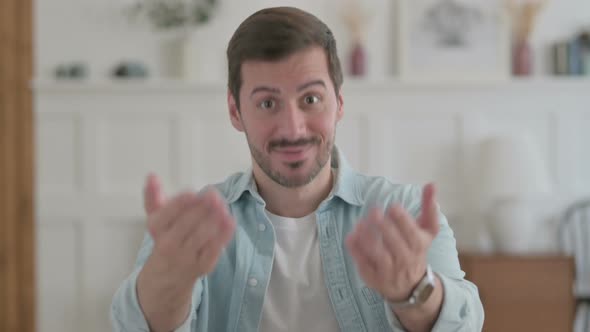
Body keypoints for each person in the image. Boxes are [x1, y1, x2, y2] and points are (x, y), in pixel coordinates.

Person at [111, 6, 484, 332]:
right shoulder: (190, 224)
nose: (293, 128)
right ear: (234, 110)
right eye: (267, 103)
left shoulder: (405, 212)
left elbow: (465, 325)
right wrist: (170, 280)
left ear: (338, 103)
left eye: (310, 99)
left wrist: (413, 292)